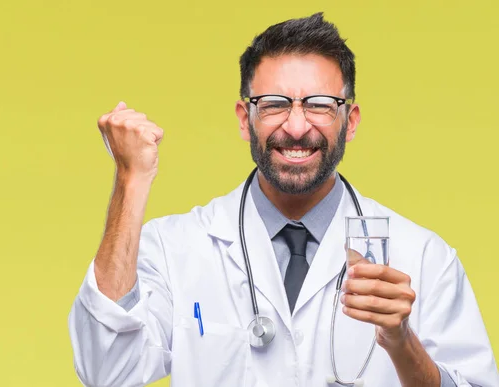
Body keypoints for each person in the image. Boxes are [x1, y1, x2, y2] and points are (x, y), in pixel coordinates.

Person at [68, 13, 499, 387]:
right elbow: (106, 369)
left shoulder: (424, 257)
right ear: (245, 119)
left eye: (319, 105)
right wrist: (131, 178)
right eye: (274, 104)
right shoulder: (177, 247)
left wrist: (402, 343)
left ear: (350, 121)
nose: (296, 126)